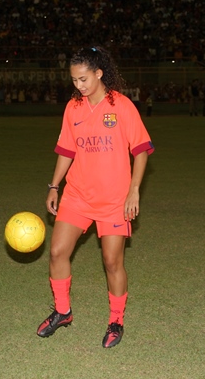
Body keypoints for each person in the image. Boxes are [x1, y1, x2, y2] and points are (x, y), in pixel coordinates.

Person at [37, 46, 154, 348]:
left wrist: (134, 190)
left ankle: (116, 320)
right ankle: (63, 311)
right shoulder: (73, 108)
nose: (79, 86)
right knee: (57, 252)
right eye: (74, 80)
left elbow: (141, 151)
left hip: (115, 200)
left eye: (84, 79)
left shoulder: (122, 106)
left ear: (99, 73)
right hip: (77, 194)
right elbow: (67, 151)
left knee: (112, 262)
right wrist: (54, 186)